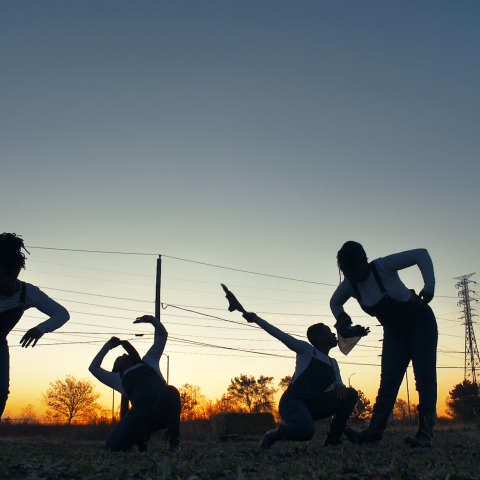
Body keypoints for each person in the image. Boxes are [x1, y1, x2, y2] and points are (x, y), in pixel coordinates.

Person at [222, 283, 357, 449]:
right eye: (329, 332)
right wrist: (257, 320)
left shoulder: (332, 362)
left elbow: (338, 382)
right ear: (320, 339)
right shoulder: (307, 350)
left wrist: (340, 385)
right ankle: (275, 433)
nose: (333, 335)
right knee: (307, 431)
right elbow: (280, 335)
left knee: (350, 394)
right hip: (293, 403)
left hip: (315, 405)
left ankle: (333, 440)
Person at [330, 241, 437, 447]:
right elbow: (334, 303)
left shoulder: (382, 267)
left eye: (355, 269)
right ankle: (373, 433)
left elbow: (421, 254)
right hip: (394, 333)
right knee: (388, 383)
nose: (352, 275)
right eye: (347, 272)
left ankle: (425, 434)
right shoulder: (350, 286)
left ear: (364, 261)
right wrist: (343, 321)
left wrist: (429, 286)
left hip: (420, 323)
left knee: (424, 378)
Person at [0, 232, 70, 418]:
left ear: (14, 275)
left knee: (1, 393)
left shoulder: (28, 293)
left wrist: (41, 329)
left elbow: (62, 313)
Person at [89, 315, 181, 452]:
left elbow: (162, 335)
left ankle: (175, 442)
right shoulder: (117, 379)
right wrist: (107, 347)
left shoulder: (149, 361)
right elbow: (93, 368)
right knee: (111, 446)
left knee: (170, 390)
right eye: (120, 357)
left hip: (160, 410)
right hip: (140, 417)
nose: (124, 355)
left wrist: (152, 320)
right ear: (118, 367)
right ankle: (139, 440)